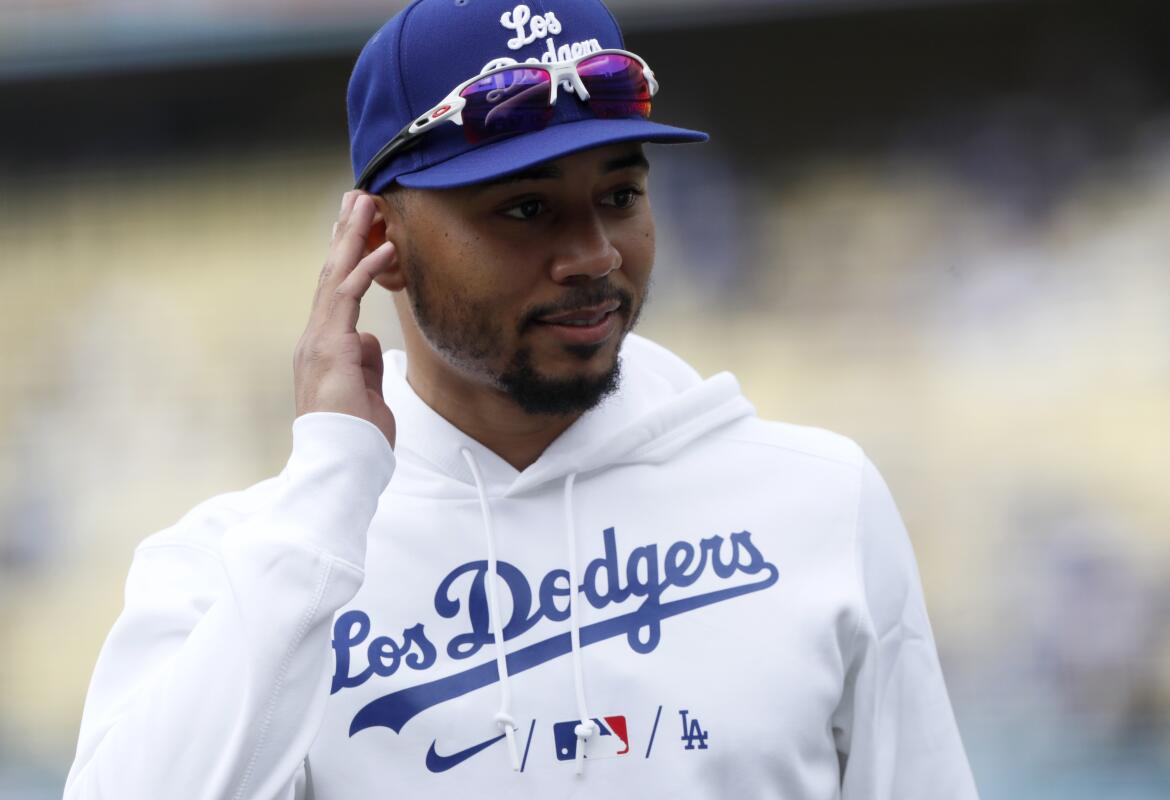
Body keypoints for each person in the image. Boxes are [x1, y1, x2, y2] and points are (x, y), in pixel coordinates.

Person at [65, 0, 979, 797]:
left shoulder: (818, 498)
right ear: (381, 236)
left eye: (619, 194)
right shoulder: (233, 567)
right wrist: (329, 499)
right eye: (525, 209)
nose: (594, 255)